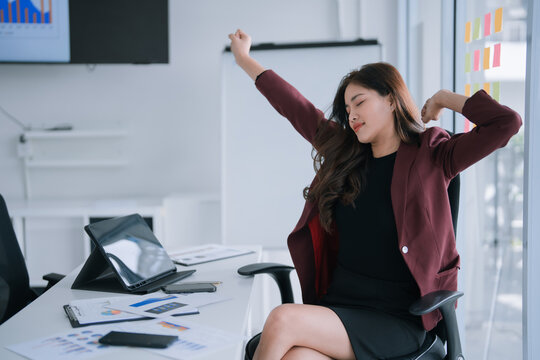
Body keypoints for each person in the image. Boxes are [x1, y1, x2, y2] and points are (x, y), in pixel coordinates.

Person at [228, 29, 522, 360]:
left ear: (391, 99)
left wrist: (443, 98)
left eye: (360, 102)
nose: (351, 114)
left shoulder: (433, 154)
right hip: (339, 308)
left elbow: (506, 123)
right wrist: (244, 60)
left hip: (398, 318)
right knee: (296, 357)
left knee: (282, 320)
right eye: (347, 107)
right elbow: (294, 105)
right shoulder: (345, 154)